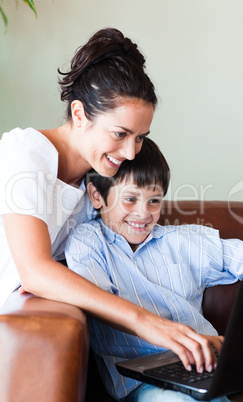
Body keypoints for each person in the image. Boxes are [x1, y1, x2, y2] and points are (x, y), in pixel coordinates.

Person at [0, 28, 219, 374]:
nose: (131, 152)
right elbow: (35, 271)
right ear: (79, 114)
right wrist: (146, 322)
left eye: (140, 138)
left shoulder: (101, 184)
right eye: (120, 134)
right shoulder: (24, 153)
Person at [65, 137, 243, 402]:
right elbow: (96, 300)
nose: (143, 213)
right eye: (130, 199)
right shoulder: (88, 241)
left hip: (211, 364)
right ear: (96, 196)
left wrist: (237, 344)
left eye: (154, 201)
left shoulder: (185, 240)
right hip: (143, 382)